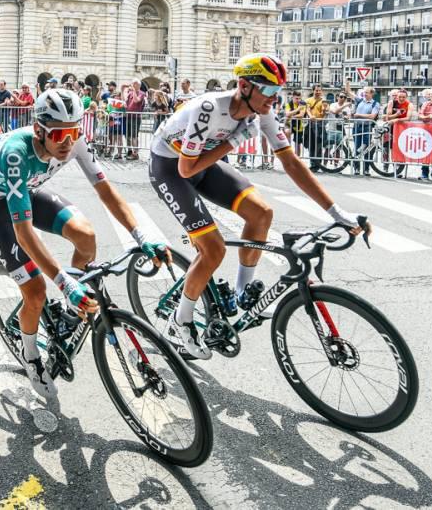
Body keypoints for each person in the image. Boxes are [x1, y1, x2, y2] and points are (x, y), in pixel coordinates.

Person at [147, 54, 366, 359]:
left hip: (205, 164)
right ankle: (180, 320)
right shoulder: (208, 108)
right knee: (213, 250)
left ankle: (241, 294)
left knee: (261, 213)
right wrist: (232, 144)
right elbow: (186, 170)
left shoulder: (260, 112)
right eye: (271, 92)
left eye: (280, 93)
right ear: (245, 86)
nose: (275, 100)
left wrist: (335, 211)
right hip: (172, 170)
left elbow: (290, 161)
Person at [0, 89, 168, 398]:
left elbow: (106, 191)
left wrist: (142, 235)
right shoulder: (16, 154)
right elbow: (23, 233)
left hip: (28, 190)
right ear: (40, 130)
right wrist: (63, 282)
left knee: (86, 235)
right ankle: (31, 357)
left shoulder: (73, 141)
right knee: (36, 292)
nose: (68, 141)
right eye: (61, 133)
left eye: (75, 131)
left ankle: (69, 311)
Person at [351, 87, 381, 176]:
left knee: (366, 149)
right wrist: (347, 81)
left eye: (367, 92)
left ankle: (366, 169)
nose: (365, 94)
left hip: (367, 128)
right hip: (356, 127)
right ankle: (356, 168)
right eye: (364, 92)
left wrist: (358, 115)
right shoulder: (360, 100)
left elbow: (372, 116)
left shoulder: (375, 104)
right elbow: (349, 92)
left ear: (372, 94)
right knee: (357, 147)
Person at [124, 79, 146, 160]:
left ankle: (135, 153)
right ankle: (129, 151)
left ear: (138, 85)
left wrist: (133, 91)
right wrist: (123, 90)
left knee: (134, 136)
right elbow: (125, 104)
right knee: (127, 135)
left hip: (136, 118)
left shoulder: (142, 93)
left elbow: (136, 101)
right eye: (132, 84)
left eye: (134, 84)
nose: (132, 85)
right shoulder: (130, 93)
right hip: (128, 117)